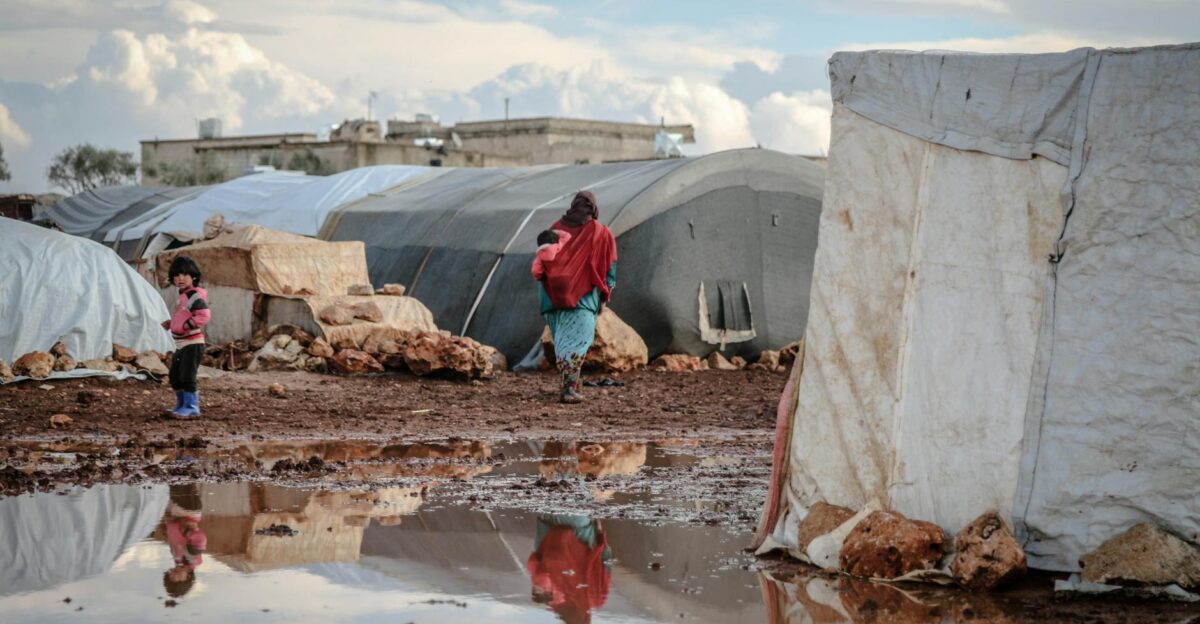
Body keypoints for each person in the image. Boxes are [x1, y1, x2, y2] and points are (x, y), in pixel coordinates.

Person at [538, 191, 617, 403]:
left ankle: (571, 384)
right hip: (582, 298)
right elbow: (610, 268)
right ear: (593, 208)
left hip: (552, 298)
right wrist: (604, 295)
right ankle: (569, 389)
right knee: (577, 342)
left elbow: (541, 265)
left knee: (563, 341)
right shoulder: (601, 233)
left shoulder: (554, 228)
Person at [526, 513, 612, 624]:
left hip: (579, 523)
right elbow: (533, 560)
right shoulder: (549, 599)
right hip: (548, 523)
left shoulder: (596, 598)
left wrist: (600, 533)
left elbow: (606, 560)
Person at [162, 256, 211, 418]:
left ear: (194, 276)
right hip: (181, 343)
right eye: (176, 275)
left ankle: (191, 407)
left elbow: (203, 315)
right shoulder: (183, 295)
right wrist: (172, 324)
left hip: (193, 342)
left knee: (187, 375)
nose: (180, 278)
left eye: (185, 274)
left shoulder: (193, 295)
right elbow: (185, 315)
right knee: (175, 376)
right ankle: (181, 404)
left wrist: (185, 326)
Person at [161, 493, 207, 599]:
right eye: (178, 579)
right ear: (189, 576)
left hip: (177, 514)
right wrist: (187, 531)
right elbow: (201, 539)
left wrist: (168, 525)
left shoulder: (178, 559)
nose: (174, 576)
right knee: (184, 484)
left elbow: (175, 539)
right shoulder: (191, 559)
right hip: (189, 511)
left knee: (176, 484)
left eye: (171, 578)